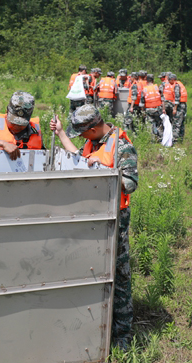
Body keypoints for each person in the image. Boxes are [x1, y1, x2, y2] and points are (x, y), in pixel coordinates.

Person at [49, 105, 138, 351]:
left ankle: (122, 334)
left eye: (82, 134)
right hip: (92, 216)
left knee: (119, 275)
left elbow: (130, 184)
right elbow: (80, 158)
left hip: (114, 220)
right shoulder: (94, 142)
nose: (82, 139)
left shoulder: (121, 145)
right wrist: (61, 135)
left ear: (93, 128)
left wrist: (105, 174)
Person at [139, 73, 165, 141]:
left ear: (146, 81)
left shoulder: (144, 89)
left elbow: (142, 103)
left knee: (150, 125)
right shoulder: (157, 87)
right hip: (158, 109)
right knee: (159, 124)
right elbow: (163, 99)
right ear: (153, 81)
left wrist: (143, 112)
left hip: (149, 110)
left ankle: (152, 139)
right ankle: (161, 138)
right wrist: (163, 109)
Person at [168, 72, 188, 142]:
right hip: (183, 105)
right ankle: (181, 138)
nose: (169, 82)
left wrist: (175, 108)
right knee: (181, 122)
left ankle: (175, 140)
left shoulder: (176, 86)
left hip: (179, 106)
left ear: (172, 79)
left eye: (169, 80)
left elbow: (177, 98)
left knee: (176, 123)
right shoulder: (180, 83)